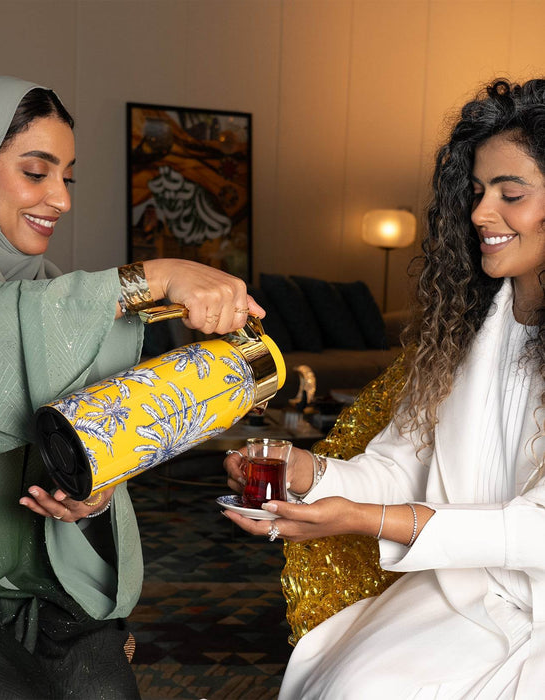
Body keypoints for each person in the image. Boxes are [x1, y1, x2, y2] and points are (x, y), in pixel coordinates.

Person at [0, 74, 263, 699]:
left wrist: (90, 499)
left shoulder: (52, 293)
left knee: (102, 684)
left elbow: (85, 438)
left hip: (30, 585)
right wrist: (153, 277)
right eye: (37, 172)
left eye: (68, 177)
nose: (60, 198)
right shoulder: (57, 304)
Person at [224, 77, 545, 698]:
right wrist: (309, 475)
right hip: (468, 589)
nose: (481, 213)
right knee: (349, 685)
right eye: (477, 192)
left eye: (511, 193)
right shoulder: (466, 332)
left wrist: (362, 520)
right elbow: (399, 468)